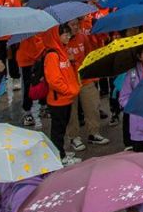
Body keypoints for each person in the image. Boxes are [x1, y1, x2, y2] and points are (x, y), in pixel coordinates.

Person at [64, 19, 108, 151]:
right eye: (73, 25)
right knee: (72, 111)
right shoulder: (61, 40)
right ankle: (73, 137)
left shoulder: (83, 37)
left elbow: (89, 54)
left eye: (78, 24)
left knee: (93, 106)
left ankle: (94, 133)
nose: (76, 27)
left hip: (85, 78)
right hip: (69, 81)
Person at [42, 24, 82, 165]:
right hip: (59, 100)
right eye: (64, 34)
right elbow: (54, 80)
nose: (68, 37)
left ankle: (61, 151)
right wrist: (69, 90)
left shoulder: (62, 52)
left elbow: (69, 74)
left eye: (68, 34)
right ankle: (60, 156)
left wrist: (72, 61)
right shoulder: (52, 55)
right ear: (56, 36)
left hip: (66, 99)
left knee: (62, 128)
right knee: (58, 130)